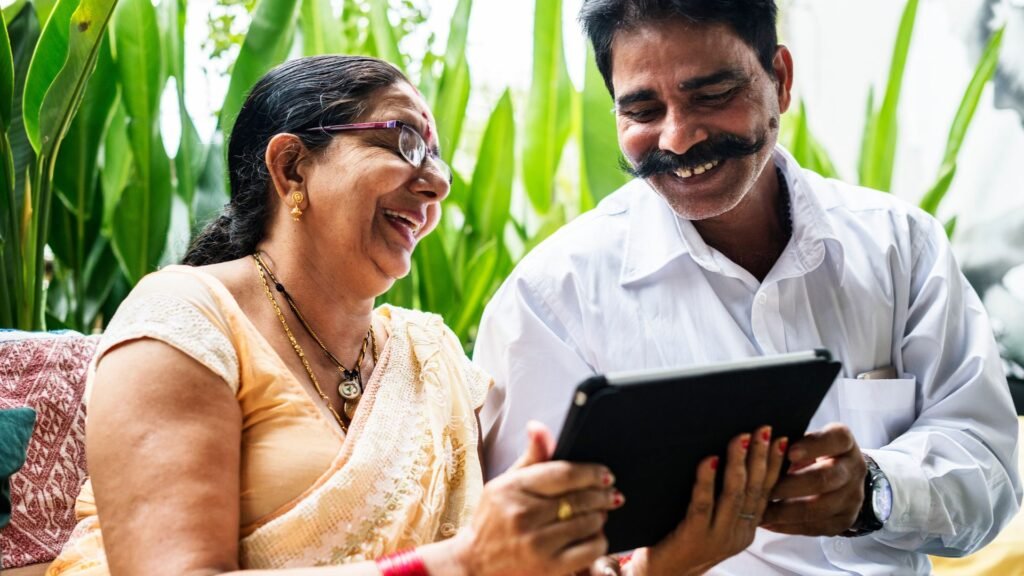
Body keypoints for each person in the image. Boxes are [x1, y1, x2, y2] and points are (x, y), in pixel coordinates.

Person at [47, 55, 783, 576]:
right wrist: (458, 564)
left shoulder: (428, 357)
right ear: (291, 167)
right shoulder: (186, 316)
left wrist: (660, 565)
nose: (435, 184)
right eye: (403, 141)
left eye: (437, 157)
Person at [474, 1, 1023, 574]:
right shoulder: (548, 300)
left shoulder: (899, 246)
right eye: (641, 109)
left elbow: (987, 465)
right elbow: (522, 552)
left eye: (711, 95)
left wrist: (873, 490)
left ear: (780, 80)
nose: (679, 138)